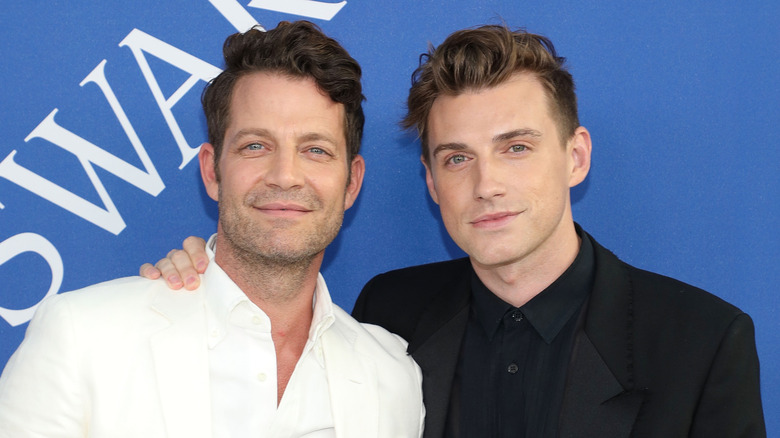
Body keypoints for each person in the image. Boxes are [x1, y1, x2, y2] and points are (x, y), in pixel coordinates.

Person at [141, 25, 766, 437]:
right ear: (432, 181)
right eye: (457, 157)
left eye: (516, 148)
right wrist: (207, 277)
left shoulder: (702, 343)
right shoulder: (391, 314)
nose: (486, 184)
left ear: (575, 157)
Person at [0, 21, 424, 438]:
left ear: (351, 183)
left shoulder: (391, 376)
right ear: (211, 171)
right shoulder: (81, 339)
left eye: (315, 150)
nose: (284, 175)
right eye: (255, 146)